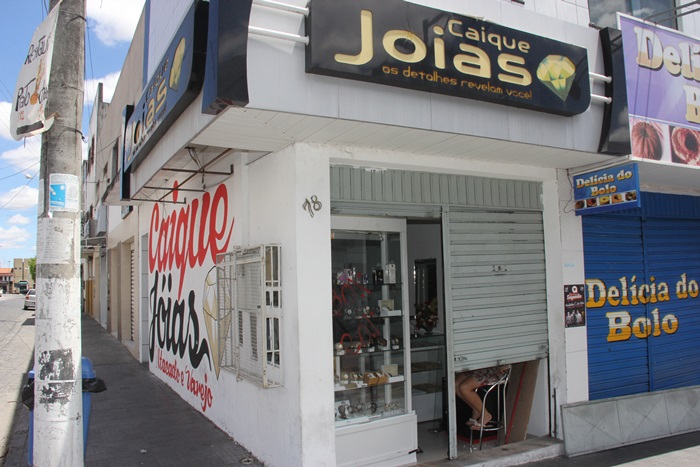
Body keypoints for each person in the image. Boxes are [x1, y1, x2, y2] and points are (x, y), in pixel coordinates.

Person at [455, 364, 511, 430]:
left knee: (464, 388)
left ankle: (485, 414)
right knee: (455, 384)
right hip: (478, 366)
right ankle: (476, 410)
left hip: (494, 369)